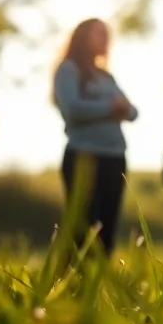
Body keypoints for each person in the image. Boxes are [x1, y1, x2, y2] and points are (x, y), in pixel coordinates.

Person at [52, 18, 137, 254]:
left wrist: (120, 108)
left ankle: (98, 287)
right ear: (83, 37)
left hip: (115, 158)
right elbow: (73, 109)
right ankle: (66, 285)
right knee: (81, 228)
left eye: (107, 34)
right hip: (83, 157)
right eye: (100, 33)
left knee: (107, 230)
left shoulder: (106, 77)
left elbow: (132, 112)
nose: (106, 39)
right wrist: (111, 108)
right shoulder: (68, 69)